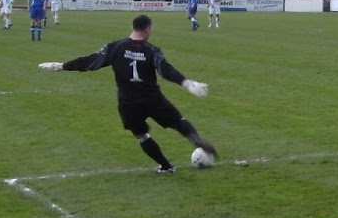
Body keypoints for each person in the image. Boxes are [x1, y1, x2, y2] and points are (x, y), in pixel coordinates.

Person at [39, 12, 218, 174]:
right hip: (152, 99)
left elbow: (89, 61)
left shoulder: (116, 47)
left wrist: (61, 66)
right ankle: (196, 140)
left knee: (142, 135)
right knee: (178, 122)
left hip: (127, 103)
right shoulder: (151, 51)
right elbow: (165, 70)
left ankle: (166, 166)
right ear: (147, 29)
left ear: (132, 28)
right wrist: (186, 83)